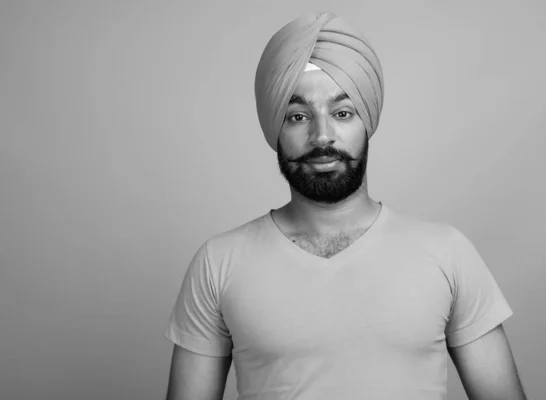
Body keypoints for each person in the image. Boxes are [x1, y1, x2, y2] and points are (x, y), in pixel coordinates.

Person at [163, 12, 527, 400]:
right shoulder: (219, 262)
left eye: (342, 113)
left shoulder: (447, 253)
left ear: (366, 123)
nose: (322, 136)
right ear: (276, 130)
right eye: (298, 116)